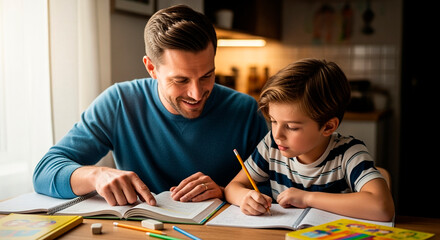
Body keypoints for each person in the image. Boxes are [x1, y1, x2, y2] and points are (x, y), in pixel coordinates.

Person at [33, 5, 268, 206]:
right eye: (181, 80)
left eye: (207, 76)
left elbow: (280, 190)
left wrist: (226, 191)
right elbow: (44, 172)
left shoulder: (245, 111)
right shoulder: (119, 102)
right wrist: (96, 175)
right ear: (151, 68)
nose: (196, 94)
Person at [224, 59, 394, 221]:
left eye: (291, 127)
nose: (277, 135)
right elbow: (233, 187)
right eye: (274, 121)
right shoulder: (271, 146)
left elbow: (382, 207)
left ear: (328, 127)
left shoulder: (349, 153)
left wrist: (308, 198)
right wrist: (245, 198)